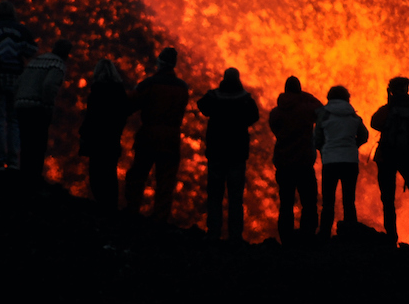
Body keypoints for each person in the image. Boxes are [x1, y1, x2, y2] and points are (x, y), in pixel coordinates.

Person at [124, 48, 191, 222]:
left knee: (138, 174)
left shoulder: (149, 84)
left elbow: (129, 104)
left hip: (150, 134)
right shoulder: (183, 88)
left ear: (159, 63)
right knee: (166, 180)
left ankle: (132, 212)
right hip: (171, 137)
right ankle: (160, 219)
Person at [197, 67, 259, 241]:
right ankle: (235, 235)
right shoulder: (246, 99)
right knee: (235, 197)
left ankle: (214, 232)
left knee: (215, 195)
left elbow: (202, 106)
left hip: (217, 152)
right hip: (237, 154)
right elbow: (254, 117)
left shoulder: (214, 96)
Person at [371, 76, 409, 248]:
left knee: (388, 198)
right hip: (408, 156)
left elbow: (374, 122)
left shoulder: (387, 109)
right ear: (406, 89)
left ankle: (391, 235)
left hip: (387, 156)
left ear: (391, 90)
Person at [268, 76, 322, 243]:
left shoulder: (276, 112)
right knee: (309, 202)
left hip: (283, 163)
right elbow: (322, 110)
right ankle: (307, 236)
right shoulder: (306, 110)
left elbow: (275, 130)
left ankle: (286, 238)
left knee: (286, 204)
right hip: (304, 163)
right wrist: (305, 96)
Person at [314, 84, 369, 238]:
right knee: (349, 200)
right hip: (350, 162)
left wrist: (324, 149)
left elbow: (316, 138)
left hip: (330, 161)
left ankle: (324, 233)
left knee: (328, 201)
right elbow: (364, 135)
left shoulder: (324, 115)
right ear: (347, 98)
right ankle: (350, 234)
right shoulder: (354, 116)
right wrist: (353, 146)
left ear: (329, 97)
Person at [15, 39, 72, 182]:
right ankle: (33, 178)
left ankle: (24, 175)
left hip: (21, 105)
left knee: (26, 142)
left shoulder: (36, 61)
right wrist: (48, 105)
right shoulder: (58, 64)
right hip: (37, 107)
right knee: (38, 144)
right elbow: (49, 85)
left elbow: (20, 81)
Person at [0, 1, 37, 169]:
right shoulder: (21, 30)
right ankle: (13, 161)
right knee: (14, 120)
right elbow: (31, 51)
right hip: (16, 78)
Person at [79, 59, 132, 211]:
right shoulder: (120, 92)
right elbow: (123, 115)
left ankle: (101, 204)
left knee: (96, 173)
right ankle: (111, 206)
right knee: (110, 173)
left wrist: (84, 133)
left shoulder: (97, 90)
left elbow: (92, 116)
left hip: (97, 139)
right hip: (112, 139)